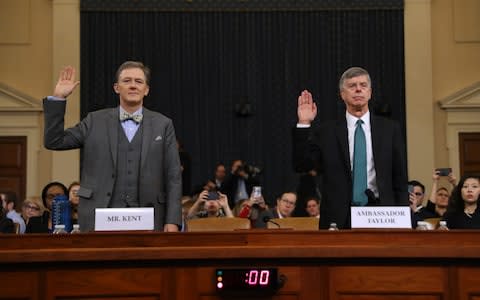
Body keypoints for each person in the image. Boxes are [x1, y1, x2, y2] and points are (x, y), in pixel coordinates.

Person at [43, 61, 182, 232]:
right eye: (127, 81)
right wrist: (58, 98)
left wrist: (173, 220)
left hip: (151, 217)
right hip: (99, 215)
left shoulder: (163, 124)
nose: (133, 86)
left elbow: (173, 176)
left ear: (146, 90)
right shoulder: (94, 121)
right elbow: (54, 141)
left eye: (138, 82)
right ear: (116, 88)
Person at [293, 67, 408, 229]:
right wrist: (304, 124)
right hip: (339, 217)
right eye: (352, 86)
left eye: (363, 85)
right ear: (342, 94)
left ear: (370, 92)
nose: (358, 89)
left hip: (382, 215)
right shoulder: (327, 132)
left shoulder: (390, 130)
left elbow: (400, 178)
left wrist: (404, 219)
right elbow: (302, 165)